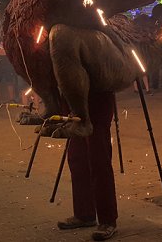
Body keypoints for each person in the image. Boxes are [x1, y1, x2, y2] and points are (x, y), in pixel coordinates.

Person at [59, 91, 119, 240]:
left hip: (97, 107)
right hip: (76, 109)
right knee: (77, 159)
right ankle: (84, 214)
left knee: (99, 162)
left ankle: (107, 219)